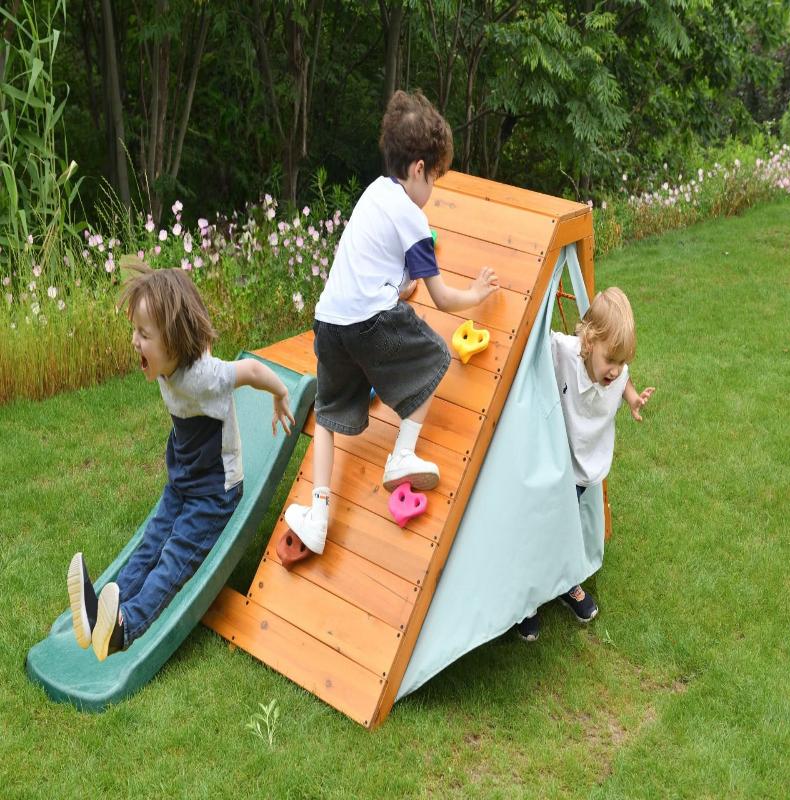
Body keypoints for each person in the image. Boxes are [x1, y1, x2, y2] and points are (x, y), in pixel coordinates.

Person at [283, 89, 498, 555]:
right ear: (418, 168)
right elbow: (442, 300)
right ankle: (401, 455)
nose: (433, 190)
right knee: (436, 357)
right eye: (435, 178)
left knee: (327, 414)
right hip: (368, 322)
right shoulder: (414, 219)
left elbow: (368, 263)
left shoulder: (374, 194)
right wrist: (476, 294)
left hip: (328, 323)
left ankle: (318, 514)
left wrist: (399, 289)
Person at [67, 261, 295, 661]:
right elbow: (185, 326)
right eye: (134, 331)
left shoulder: (205, 377)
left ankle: (125, 627)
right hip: (182, 480)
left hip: (213, 494)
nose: (135, 342)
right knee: (150, 543)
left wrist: (280, 394)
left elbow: (254, 370)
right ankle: (99, 611)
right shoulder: (166, 361)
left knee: (172, 557)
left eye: (144, 334)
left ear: (173, 340)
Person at [516, 287, 655, 641]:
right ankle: (527, 600)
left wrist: (633, 398)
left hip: (582, 467)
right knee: (539, 528)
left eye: (623, 362)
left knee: (570, 528)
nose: (616, 370)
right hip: (552, 459)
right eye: (612, 360)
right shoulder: (565, 352)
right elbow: (535, 338)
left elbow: (623, 380)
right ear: (589, 342)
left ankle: (566, 582)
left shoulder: (616, 370)